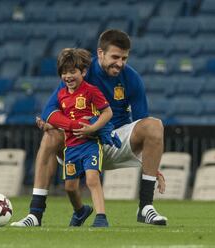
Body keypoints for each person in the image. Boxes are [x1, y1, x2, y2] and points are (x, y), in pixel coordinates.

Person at [11, 29, 167, 227]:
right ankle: (35, 214)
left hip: (114, 140)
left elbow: (141, 124)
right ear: (100, 53)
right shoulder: (79, 70)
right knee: (50, 136)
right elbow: (49, 111)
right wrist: (76, 126)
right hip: (80, 140)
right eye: (115, 57)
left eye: (124, 58)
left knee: (154, 126)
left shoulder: (132, 78)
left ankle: (145, 207)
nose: (119, 63)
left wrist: (152, 166)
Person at [51, 47, 119, 227]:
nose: (68, 76)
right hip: (71, 147)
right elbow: (63, 119)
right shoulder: (61, 95)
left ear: (83, 72)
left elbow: (108, 112)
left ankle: (101, 217)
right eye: (64, 73)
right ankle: (81, 211)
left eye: (72, 72)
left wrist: (93, 128)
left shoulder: (91, 90)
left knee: (91, 179)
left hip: (90, 144)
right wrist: (48, 125)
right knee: (70, 188)